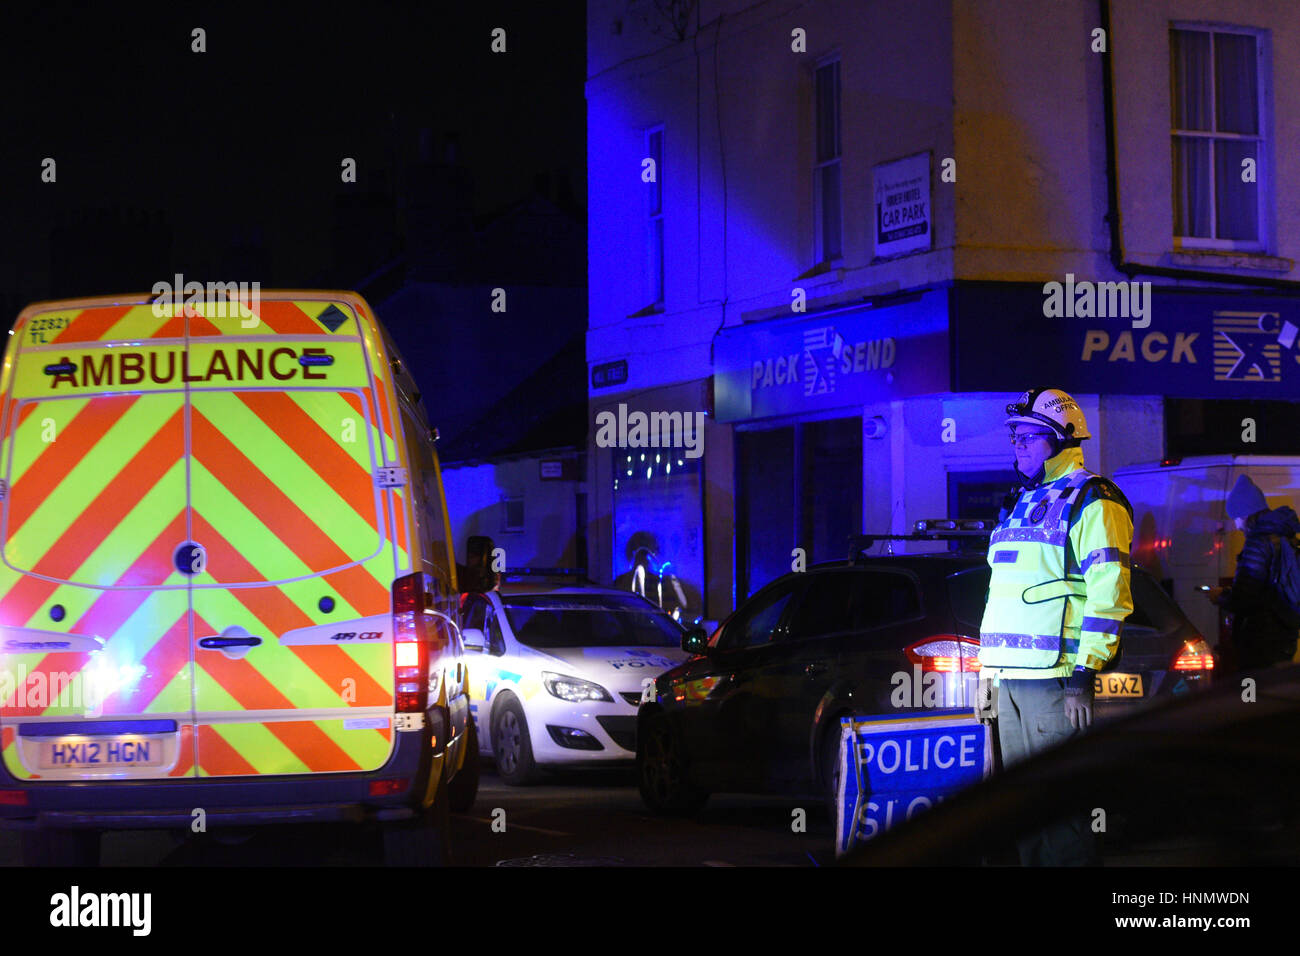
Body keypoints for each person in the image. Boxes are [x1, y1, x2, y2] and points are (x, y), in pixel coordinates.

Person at [976, 388, 1134, 866]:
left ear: (1061, 440)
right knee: (1023, 808)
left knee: (1060, 808)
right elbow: (1000, 595)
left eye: (1028, 437)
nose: (1018, 446)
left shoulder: (1094, 500)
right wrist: (989, 675)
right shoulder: (1021, 503)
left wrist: (1084, 675)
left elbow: (1110, 597)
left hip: (1056, 679)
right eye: (1016, 437)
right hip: (1010, 681)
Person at [1209, 475, 1300, 671]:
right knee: (1277, 694)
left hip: (1262, 638)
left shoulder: (1257, 542)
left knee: (1255, 696)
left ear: (1244, 514)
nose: (1235, 525)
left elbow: (1245, 598)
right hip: (1286, 632)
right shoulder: (1284, 534)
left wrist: (1221, 596)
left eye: (1235, 518)